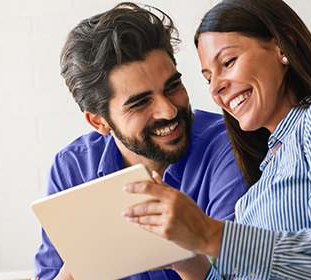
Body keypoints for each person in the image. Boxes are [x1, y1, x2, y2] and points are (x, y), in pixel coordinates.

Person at [121, 0, 311, 279]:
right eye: (209, 78)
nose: (216, 88)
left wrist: (208, 233)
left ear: (282, 45)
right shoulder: (264, 176)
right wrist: (188, 261)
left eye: (229, 62)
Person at [33, 3, 249, 280]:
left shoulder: (227, 147)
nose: (169, 111)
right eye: (139, 103)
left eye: (172, 86)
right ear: (99, 121)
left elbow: (238, 273)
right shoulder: (72, 168)